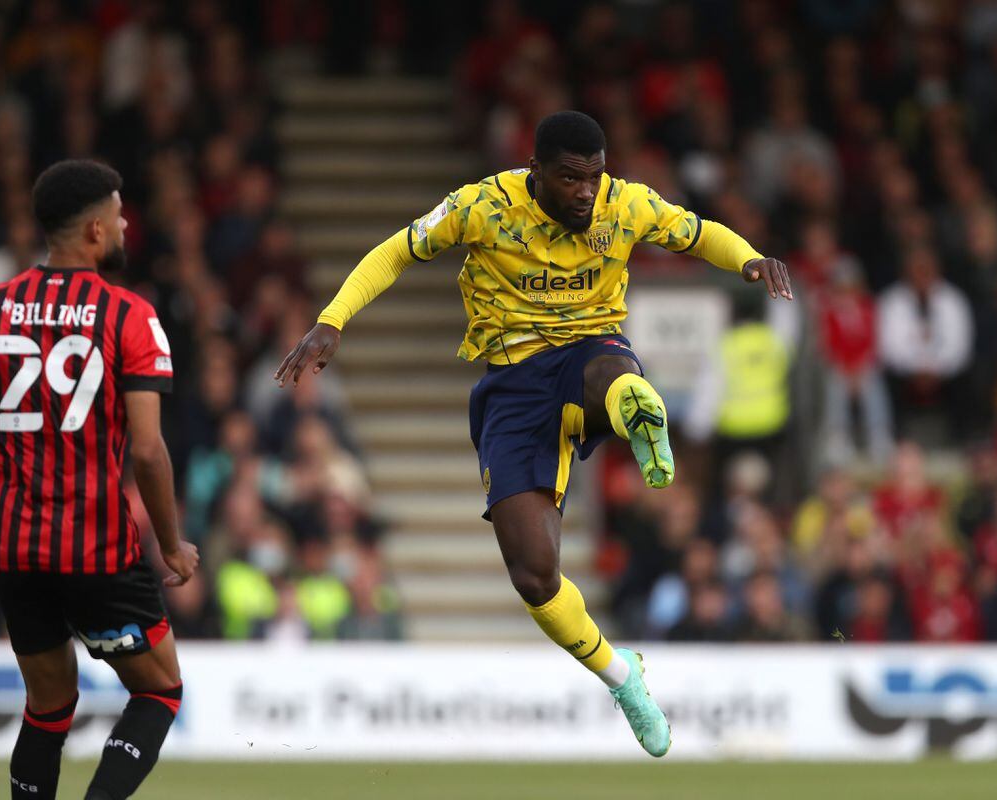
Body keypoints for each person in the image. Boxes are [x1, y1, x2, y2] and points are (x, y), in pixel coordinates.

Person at [275, 110, 791, 757]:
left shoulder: (623, 205)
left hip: (587, 351)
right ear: (537, 171)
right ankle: (623, 676)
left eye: (594, 178)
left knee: (607, 367)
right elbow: (397, 250)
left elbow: (695, 232)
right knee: (535, 577)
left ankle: (634, 405)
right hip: (513, 388)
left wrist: (748, 260)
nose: (585, 192)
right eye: (571, 178)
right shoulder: (484, 206)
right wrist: (333, 319)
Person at [0, 160, 199, 800]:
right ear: (93, 229)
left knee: (48, 705)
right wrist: (170, 545)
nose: (123, 224)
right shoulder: (129, 315)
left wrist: (5, 500)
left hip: (14, 548)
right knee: (160, 691)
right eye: (117, 214)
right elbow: (147, 450)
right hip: (96, 549)